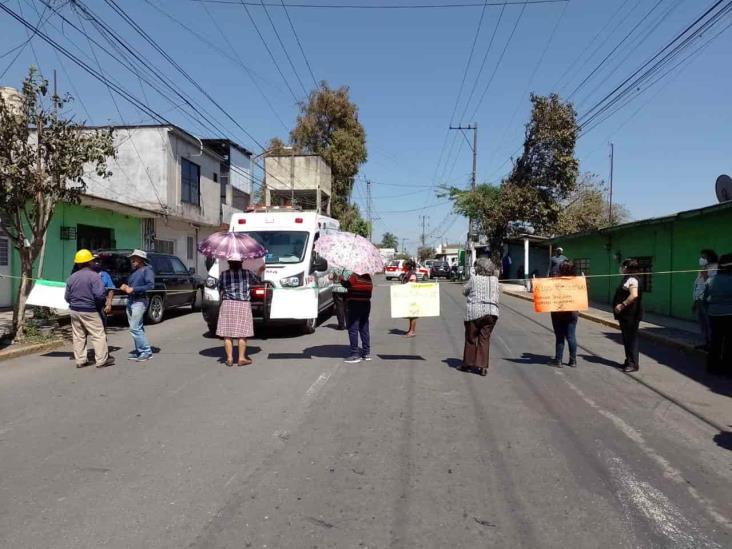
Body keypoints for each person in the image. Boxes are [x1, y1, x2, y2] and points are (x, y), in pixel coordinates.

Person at [64, 249, 114, 368]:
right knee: (98, 334)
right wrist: (98, 305)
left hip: (74, 310)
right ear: (89, 262)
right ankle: (101, 360)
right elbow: (100, 295)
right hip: (90, 310)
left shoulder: (71, 277)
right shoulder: (94, 276)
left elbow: (67, 297)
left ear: (78, 263)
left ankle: (80, 360)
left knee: (78, 336)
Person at [216, 255, 264, 367]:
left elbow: (219, 288)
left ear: (229, 262)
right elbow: (257, 282)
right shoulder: (247, 273)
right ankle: (241, 358)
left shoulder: (224, 274)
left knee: (227, 333)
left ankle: (229, 358)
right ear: (241, 262)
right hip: (243, 304)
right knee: (242, 333)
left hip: (227, 303)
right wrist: (260, 271)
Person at [461, 257, 500, 376]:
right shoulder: (495, 280)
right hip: (491, 313)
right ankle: (482, 367)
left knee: (471, 338)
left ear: (478, 268)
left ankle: (468, 364)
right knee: (484, 339)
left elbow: (464, 291)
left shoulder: (474, 279)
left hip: (474, 313)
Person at [120, 250, 155, 362]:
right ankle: (140, 351)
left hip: (140, 302)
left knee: (134, 328)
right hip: (131, 301)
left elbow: (150, 286)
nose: (132, 260)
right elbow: (131, 287)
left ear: (141, 259)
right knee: (137, 328)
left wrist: (133, 289)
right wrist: (126, 287)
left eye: (135, 258)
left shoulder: (147, 270)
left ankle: (146, 352)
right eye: (132, 258)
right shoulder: (134, 271)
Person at [612, 258, 643, 373]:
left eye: (623, 266)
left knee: (631, 339)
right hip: (626, 316)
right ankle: (629, 359)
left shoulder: (632, 280)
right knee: (627, 339)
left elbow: (634, 295)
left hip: (631, 315)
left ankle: (633, 364)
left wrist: (622, 305)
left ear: (628, 268)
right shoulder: (628, 279)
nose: (622, 268)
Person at [705, 253, 732, 377]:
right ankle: (726, 368)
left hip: (713, 314)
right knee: (728, 343)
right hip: (729, 315)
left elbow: (705, 298)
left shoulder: (711, 280)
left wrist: (710, 309)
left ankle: (712, 366)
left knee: (715, 340)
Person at [549, 261, 579, 368]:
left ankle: (558, 360)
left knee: (560, 336)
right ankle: (573, 361)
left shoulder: (556, 282)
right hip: (573, 312)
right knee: (571, 336)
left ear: (562, 269)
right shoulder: (577, 282)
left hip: (558, 313)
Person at [342, 270, 373, 364]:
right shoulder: (368, 277)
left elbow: (347, 285)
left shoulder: (354, 276)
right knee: (364, 328)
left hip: (354, 304)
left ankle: (354, 354)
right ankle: (366, 353)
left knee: (353, 329)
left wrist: (341, 279)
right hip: (366, 304)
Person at [692, 249, 718, 350]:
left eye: (704, 257)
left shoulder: (715, 268)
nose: (701, 259)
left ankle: (712, 344)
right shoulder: (702, 269)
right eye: (701, 257)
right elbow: (697, 286)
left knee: (709, 323)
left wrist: (706, 277)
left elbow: (713, 284)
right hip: (699, 300)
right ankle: (706, 342)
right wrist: (695, 300)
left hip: (708, 301)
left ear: (710, 257)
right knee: (702, 324)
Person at [402, 259, 418, 337]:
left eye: (405, 265)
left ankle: (413, 331)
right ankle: (410, 329)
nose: (404, 266)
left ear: (409, 266)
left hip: (413, 296)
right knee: (410, 315)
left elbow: (413, 284)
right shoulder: (408, 273)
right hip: (408, 296)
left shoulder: (412, 274)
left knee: (413, 315)